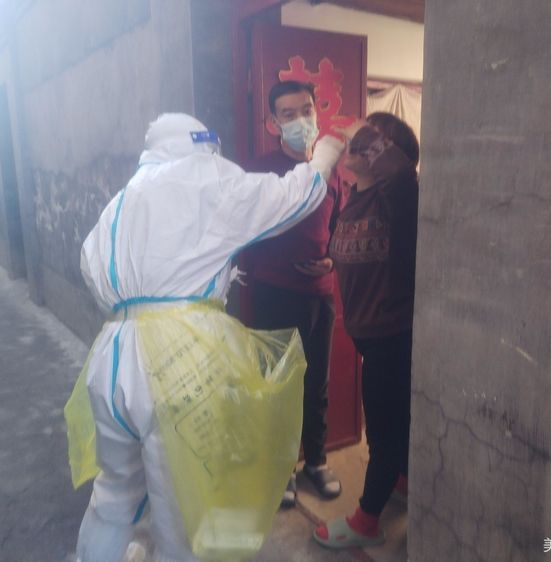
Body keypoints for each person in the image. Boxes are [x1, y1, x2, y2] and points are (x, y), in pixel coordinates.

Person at [74, 112, 344, 562]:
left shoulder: (120, 202)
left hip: (111, 356)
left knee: (115, 495)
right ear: (201, 144)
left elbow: (90, 270)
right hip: (180, 361)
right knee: (186, 510)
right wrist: (327, 153)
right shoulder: (205, 178)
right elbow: (291, 197)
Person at [313, 112, 419, 549]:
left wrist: (362, 132)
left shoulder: (400, 198)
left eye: (373, 142)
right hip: (369, 336)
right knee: (393, 422)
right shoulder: (355, 195)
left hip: (394, 335)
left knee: (383, 431)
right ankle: (404, 481)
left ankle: (367, 521)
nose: (357, 147)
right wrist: (328, 262)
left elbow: (401, 174)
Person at [242, 80, 343, 506]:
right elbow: (247, 229)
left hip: (320, 294)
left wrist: (332, 260)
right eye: (288, 114)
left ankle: (315, 462)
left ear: (316, 112)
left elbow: (338, 229)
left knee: (317, 382)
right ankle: (281, 468)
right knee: (276, 386)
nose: (301, 120)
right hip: (273, 293)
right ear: (272, 122)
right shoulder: (261, 172)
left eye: (306, 110)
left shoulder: (331, 172)